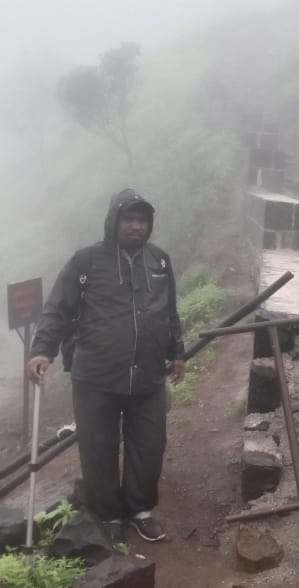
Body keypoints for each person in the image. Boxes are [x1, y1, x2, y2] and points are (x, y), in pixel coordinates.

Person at [26, 188, 185, 543]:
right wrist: (42, 350)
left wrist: (177, 352)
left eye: (142, 220)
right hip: (95, 375)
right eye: (128, 219)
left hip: (147, 374)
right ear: (113, 221)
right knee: (99, 447)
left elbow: (169, 311)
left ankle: (140, 509)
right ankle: (108, 515)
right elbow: (58, 309)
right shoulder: (86, 262)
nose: (135, 226)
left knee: (149, 444)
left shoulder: (159, 261)